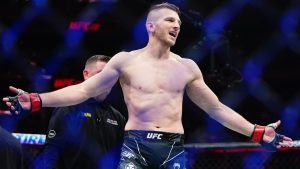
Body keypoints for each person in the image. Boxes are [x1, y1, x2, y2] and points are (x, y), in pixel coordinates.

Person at [3, 2, 293, 169]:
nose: (177, 25)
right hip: (135, 146)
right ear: (151, 26)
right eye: (170, 20)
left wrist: (255, 131)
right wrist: (37, 99)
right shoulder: (125, 61)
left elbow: (215, 108)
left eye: (178, 22)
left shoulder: (186, 67)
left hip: (172, 147)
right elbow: (83, 90)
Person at [31, 55, 126, 169]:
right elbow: (52, 151)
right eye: (100, 74)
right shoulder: (68, 108)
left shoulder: (118, 117)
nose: (106, 80)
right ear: (86, 74)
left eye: (110, 76)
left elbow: (122, 157)